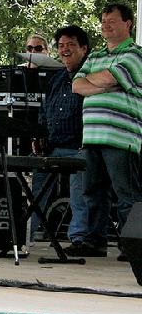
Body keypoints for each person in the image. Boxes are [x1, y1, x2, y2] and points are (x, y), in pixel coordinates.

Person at [70, 3, 142, 258]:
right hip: (92, 136)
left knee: (127, 194)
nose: (106, 25)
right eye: (103, 21)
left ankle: (132, 246)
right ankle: (95, 240)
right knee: (93, 191)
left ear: (128, 24)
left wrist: (100, 81)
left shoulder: (135, 54)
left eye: (112, 21)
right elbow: (77, 85)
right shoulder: (96, 55)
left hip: (122, 137)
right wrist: (106, 84)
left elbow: (113, 77)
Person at [30, 25, 90, 244]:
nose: (65, 49)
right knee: (33, 180)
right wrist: (40, 135)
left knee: (79, 190)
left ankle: (79, 239)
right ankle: (26, 233)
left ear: (84, 48)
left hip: (81, 146)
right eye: (61, 45)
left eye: (71, 45)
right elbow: (44, 110)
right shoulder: (56, 79)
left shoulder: (90, 73)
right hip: (54, 146)